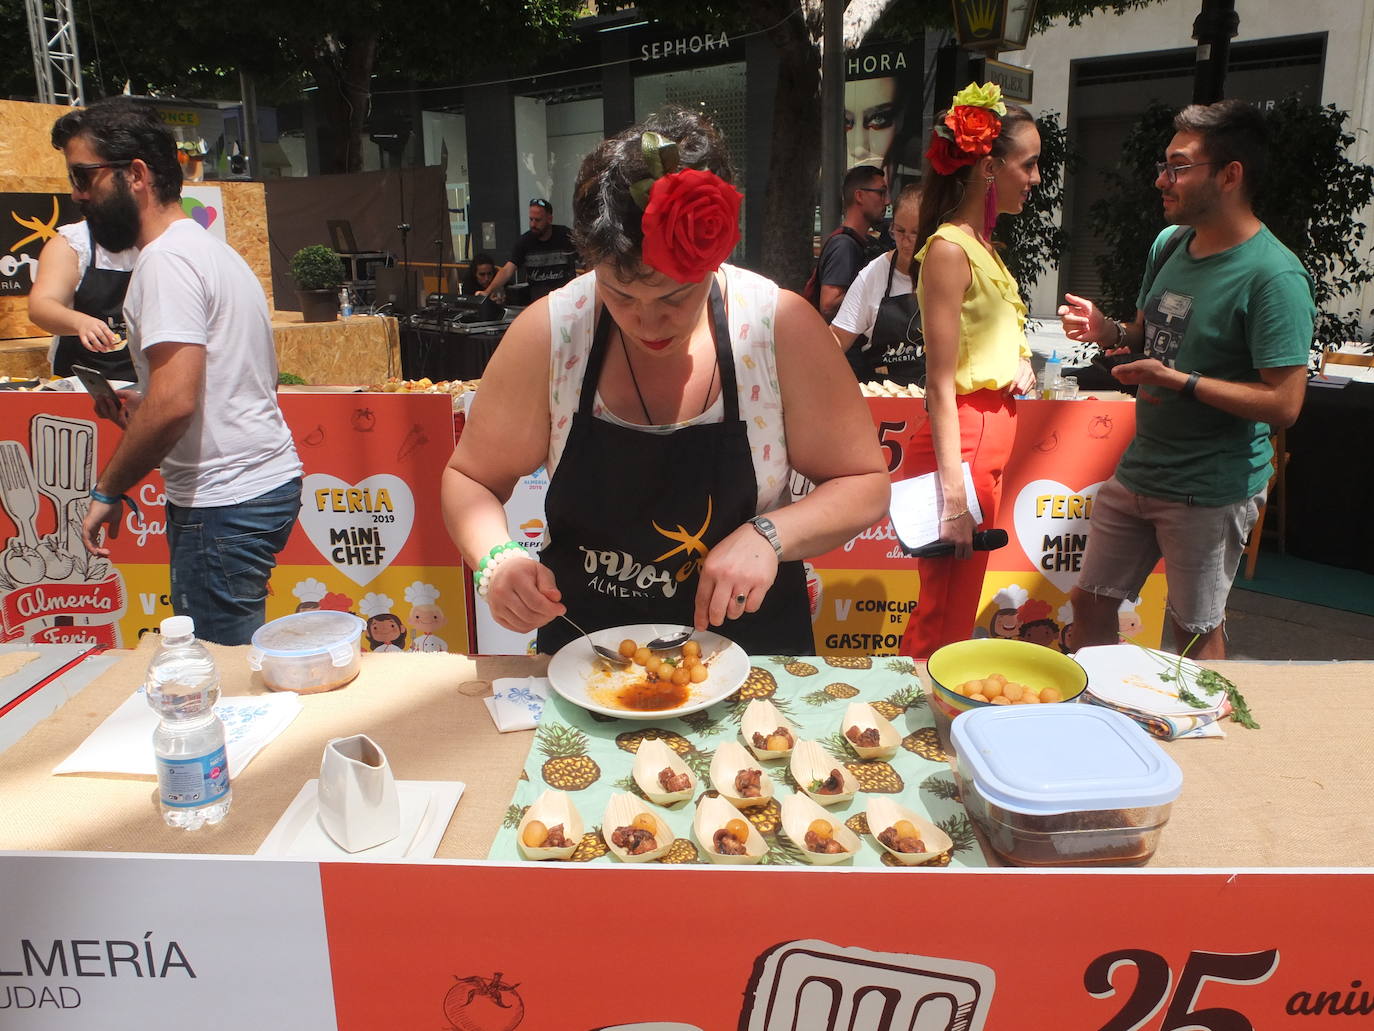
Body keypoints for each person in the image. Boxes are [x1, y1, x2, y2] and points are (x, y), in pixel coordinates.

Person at [441, 108, 889, 656]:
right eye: (621, 294)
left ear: (715, 254)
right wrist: (497, 560)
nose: (647, 323)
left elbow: (865, 482)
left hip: (749, 653)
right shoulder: (553, 333)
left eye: (676, 296)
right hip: (589, 655)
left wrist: (769, 536)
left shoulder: (779, 328)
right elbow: (471, 478)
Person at [1060, 99, 1313, 659]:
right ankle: (1098, 722)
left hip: (1211, 488)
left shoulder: (1274, 276)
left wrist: (1180, 382)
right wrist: (1106, 330)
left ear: (1230, 174)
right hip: (1142, 467)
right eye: (1163, 165)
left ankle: (1203, 742)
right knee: (1090, 601)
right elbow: (1144, 336)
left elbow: (1285, 404)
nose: (1160, 180)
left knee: (1193, 630)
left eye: (1177, 167)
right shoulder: (1169, 244)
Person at [57, 97, 302, 646]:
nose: (76, 195)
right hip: (250, 488)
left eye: (83, 176)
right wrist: (143, 410)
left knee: (221, 674)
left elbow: (175, 402)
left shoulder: (167, 261)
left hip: (225, 501)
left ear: (136, 174)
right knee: (230, 666)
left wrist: (107, 489)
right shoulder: (202, 248)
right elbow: (204, 389)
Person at [894, 83, 1039, 659]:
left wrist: (1018, 362)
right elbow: (938, 381)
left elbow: (981, 347)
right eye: (1027, 165)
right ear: (988, 166)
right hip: (969, 438)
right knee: (944, 608)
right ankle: (915, 728)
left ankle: (934, 723)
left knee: (959, 600)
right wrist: (954, 496)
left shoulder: (983, 247)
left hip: (987, 433)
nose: (1032, 178)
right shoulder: (953, 248)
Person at [831, 183, 923, 384]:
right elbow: (837, 338)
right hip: (884, 396)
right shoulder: (874, 274)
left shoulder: (950, 271)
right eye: (900, 231)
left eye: (916, 233)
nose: (906, 241)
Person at [27, 219, 138, 381]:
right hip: (80, 378)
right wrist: (80, 323)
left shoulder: (159, 240)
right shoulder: (73, 243)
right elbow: (40, 306)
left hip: (146, 378)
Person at [811, 165, 888, 322]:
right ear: (859, 196)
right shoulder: (844, 246)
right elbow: (829, 305)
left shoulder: (863, 243)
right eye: (881, 193)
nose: (887, 201)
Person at [478, 198, 577, 303]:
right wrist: (487, 292)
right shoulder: (525, 241)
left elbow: (588, 258)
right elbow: (507, 270)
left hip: (565, 301)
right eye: (531, 219)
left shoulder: (565, 236)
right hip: (538, 302)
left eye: (538, 220)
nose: (533, 224)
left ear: (549, 219)